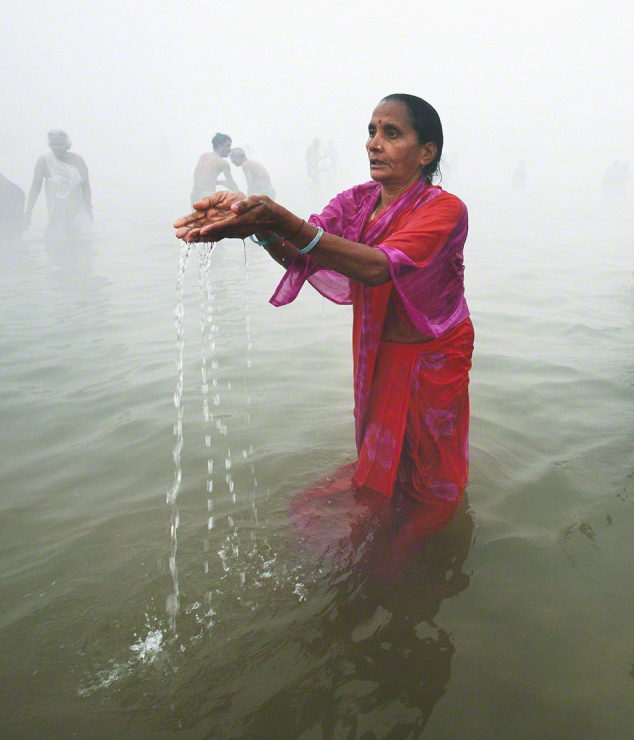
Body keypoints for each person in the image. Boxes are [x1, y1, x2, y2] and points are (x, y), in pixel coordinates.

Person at [175, 94, 472, 542]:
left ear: (426, 152)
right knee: (383, 458)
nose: (374, 144)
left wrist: (282, 220)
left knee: (430, 471)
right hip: (379, 348)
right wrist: (260, 226)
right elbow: (301, 253)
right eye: (372, 132)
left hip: (432, 354)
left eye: (392, 134)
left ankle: (427, 541)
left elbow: (377, 266)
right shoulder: (355, 202)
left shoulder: (444, 209)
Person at [26, 129, 92, 242]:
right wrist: (28, 211)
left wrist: (88, 206)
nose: (56, 147)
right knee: (58, 242)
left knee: (83, 240)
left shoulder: (78, 160)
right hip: (57, 211)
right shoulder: (44, 161)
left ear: (67, 145)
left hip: (78, 210)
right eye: (53, 144)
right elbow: (35, 187)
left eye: (60, 144)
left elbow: (85, 185)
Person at [190, 133, 237, 204]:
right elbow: (232, 185)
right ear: (219, 146)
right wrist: (243, 198)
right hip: (207, 196)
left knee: (196, 215)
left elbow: (203, 178)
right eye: (228, 146)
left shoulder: (204, 156)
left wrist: (220, 182)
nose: (230, 149)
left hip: (195, 194)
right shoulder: (223, 163)